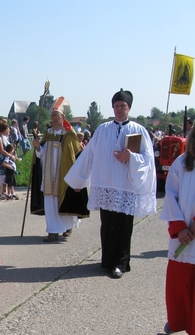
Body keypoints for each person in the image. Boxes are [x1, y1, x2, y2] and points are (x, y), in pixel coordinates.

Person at [65, 89, 156, 279]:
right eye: (116, 106)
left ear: (129, 107)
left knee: (124, 226)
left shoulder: (138, 130)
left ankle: (120, 263)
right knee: (107, 225)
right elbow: (89, 155)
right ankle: (107, 261)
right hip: (106, 184)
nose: (119, 109)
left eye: (123, 106)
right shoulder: (103, 129)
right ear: (112, 107)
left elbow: (147, 160)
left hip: (126, 186)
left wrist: (129, 157)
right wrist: (79, 180)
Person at [31, 101, 89, 242]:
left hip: (64, 174)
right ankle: (52, 231)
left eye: (56, 115)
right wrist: (38, 147)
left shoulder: (69, 134)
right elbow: (42, 153)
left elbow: (74, 154)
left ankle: (67, 227)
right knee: (50, 202)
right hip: (49, 174)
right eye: (52, 115)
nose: (54, 117)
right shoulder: (48, 132)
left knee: (64, 201)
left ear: (63, 116)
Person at [159, 130, 195, 335]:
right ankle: (177, 320)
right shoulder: (181, 163)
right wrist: (179, 227)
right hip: (182, 234)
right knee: (178, 284)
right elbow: (170, 195)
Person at [0, 122, 16, 200]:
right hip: (0, 159)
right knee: (0, 176)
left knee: (4, 175)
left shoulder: (3, 137)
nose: (9, 130)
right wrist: (10, 155)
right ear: (3, 129)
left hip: (4, 158)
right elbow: (1, 150)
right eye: (7, 129)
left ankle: (3, 192)